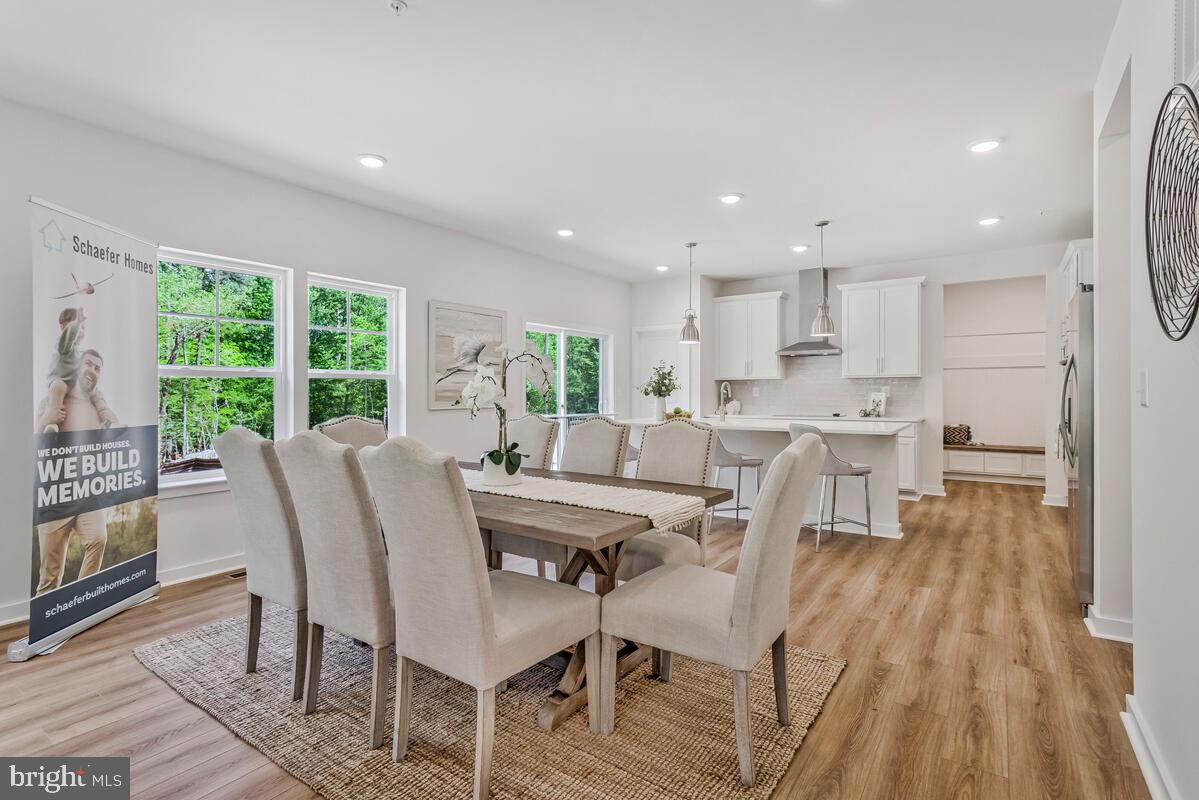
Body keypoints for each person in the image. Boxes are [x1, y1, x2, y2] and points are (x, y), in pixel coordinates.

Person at [35, 350, 119, 594]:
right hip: (55, 496)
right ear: (76, 366)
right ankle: (51, 628)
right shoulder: (51, 402)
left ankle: (81, 599)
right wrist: (46, 423)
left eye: (97, 368)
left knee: (98, 540)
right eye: (88, 364)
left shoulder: (96, 408)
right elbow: (34, 445)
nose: (92, 371)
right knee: (50, 576)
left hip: (87, 493)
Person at [38, 307, 116, 433]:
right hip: (60, 380)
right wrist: (77, 323)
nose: (80, 331)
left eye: (83, 328)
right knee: (57, 393)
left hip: (73, 382)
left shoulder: (80, 354)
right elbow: (67, 339)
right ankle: (52, 424)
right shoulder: (64, 346)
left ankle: (110, 420)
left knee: (98, 395)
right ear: (64, 327)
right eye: (77, 328)